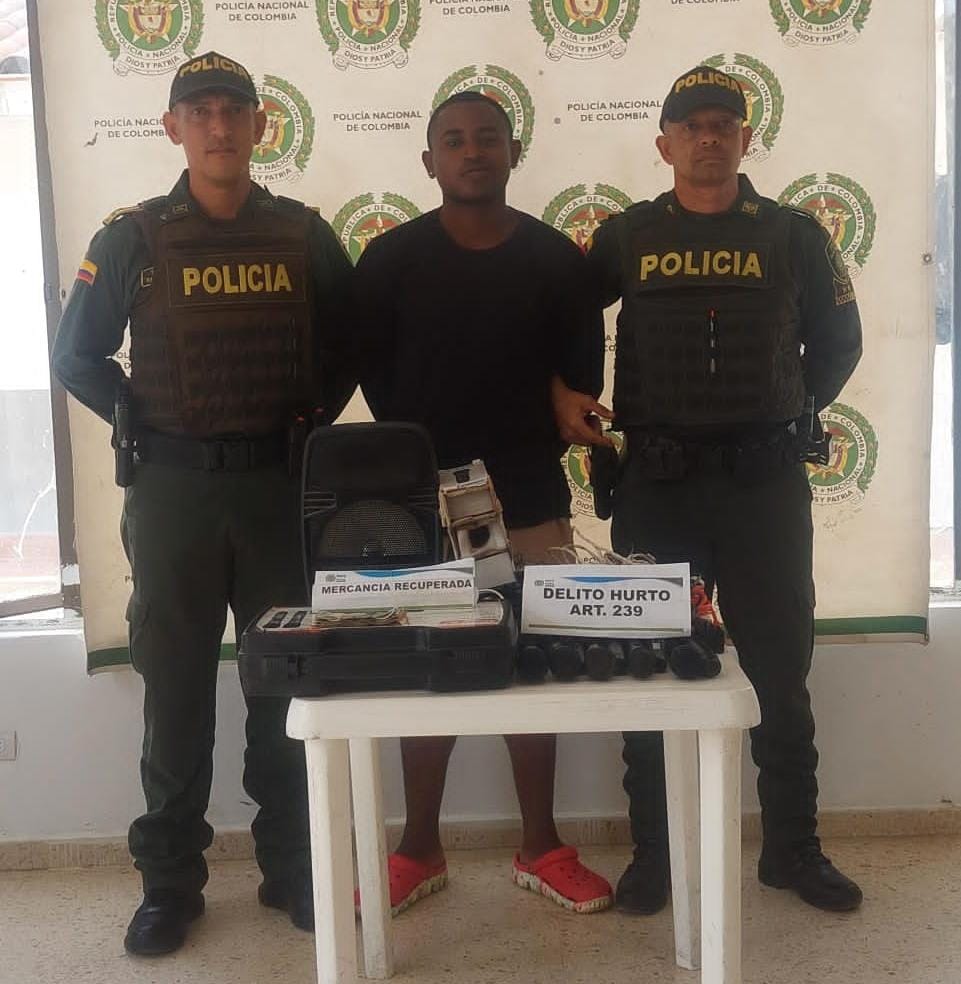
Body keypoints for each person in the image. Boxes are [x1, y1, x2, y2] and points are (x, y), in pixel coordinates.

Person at [51, 51, 354, 956]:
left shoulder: (303, 234)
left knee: (283, 684)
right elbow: (77, 357)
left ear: (262, 125)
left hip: (275, 489)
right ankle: (170, 884)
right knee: (176, 694)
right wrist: (139, 422)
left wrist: (308, 421)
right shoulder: (134, 237)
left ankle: (292, 869)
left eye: (235, 110)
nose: (219, 126)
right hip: (174, 493)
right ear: (172, 126)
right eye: (201, 111)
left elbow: (351, 345)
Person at [555, 65, 864, 914]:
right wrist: (570, 391)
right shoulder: (625, 236)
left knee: (778, 676)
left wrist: (791, 405)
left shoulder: (793, 235)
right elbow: (569, 319)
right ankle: (655, 856)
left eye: (723, 123)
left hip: (764, 489)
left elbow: (839, 341)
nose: (707, 136)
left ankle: (792, 851)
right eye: (690, 125)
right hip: (659, 488)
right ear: (663, 144)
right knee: (651, 677)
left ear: (744, 140)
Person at [354, 91, 612, 916]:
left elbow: (577, 385)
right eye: (453, 141)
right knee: (429, 669)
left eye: (488, 138)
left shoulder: (555, 262)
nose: (472, 152)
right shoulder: (388, 262)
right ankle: (417, 849)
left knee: (530, 668)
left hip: (529, 496)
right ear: (428, 161)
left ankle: (540, 846)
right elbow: (376, 379)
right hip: (418, 505)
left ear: (512, 152)